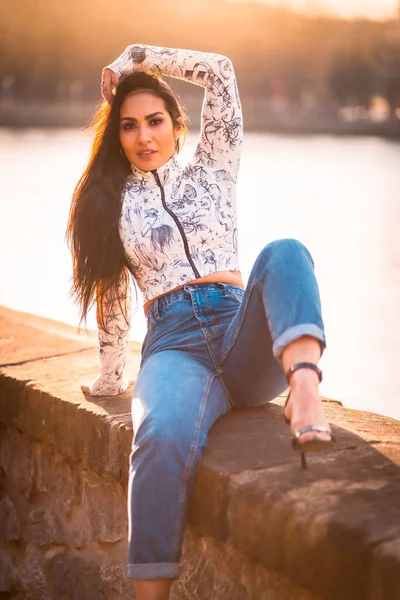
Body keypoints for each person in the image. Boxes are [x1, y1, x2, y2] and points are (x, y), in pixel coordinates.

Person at [67, 44, 333, 600]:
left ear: (177, 124)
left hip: (242, 336)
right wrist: (112, 380)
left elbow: (221, 71)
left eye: (155, 121)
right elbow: (113, 302)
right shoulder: (111, 206)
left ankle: (305, 388)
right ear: (116, 137)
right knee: (158, 434)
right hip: (173, 349)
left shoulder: (215, 167)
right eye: (129, 126)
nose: (144, 137)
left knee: (286, 250)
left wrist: (134, 59)